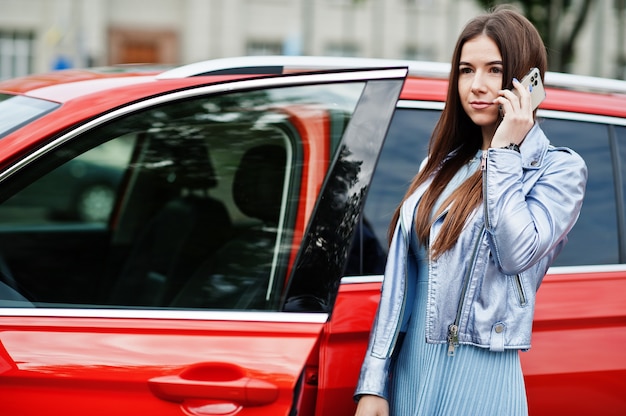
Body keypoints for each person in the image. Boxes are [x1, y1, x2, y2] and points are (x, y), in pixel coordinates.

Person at [354, 5, 587, 416]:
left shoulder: (560, 169)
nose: (476, 85)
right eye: (465, 70)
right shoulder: (438, 166)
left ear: (526, 81)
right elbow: (400, 282)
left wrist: (504, 152)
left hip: (482, 373)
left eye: (494, 70)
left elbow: (516, 253)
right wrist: (374, 379)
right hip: (412, 369)